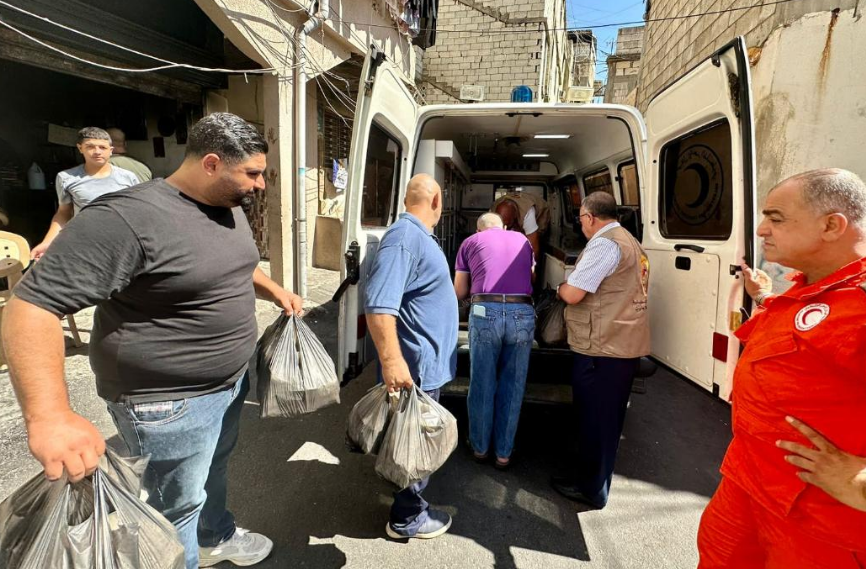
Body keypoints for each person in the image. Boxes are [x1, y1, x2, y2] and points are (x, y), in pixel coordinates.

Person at [2, 113, 303, 569]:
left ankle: (214, 536)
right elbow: (31, 306)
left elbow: (232, 265)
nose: (260, 185)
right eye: (253, 173)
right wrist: (50, 416)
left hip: (227, 385)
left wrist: (274, 289)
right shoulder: (126, 218)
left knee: (211, 472)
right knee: (172, 510)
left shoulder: (227, 205)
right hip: (167, 404)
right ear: (211, 164)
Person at [697, 169, 866, 568]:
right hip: (748, 483)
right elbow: (803, 336)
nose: (761, 230)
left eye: (776, 218)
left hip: (819, 522)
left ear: (831, 226)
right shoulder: (812, 288)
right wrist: (766, 298)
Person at [364, 173, 458, 540]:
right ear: (436, 201)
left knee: (415, 440)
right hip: (414, 369)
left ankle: (409, 508)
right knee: (413, 444)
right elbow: (379, 305)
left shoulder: (416, 237)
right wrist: (392, 362)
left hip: (423, 366)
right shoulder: (405, 238)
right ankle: (407, 518)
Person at [551, 191, 650, 509]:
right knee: (607, 420)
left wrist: (559, 288)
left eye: (581, 219)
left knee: (595, 421)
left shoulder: (604, 245)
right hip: (620, 343)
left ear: (590, 217)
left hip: (602, 348)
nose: (581, 225)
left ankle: (592, 489)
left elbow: (574, 294)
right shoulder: (631, 242)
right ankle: (595, 482)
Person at [454, 212, 535, 469]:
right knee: (514, 384)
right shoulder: (523, 240)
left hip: (484, 311)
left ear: (479, 230)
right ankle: (503, 453)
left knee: (482, 382)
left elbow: (460, 291)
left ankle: (479, 447)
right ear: (505, 227)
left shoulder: (470, 242)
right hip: (522, 311)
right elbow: (531, 277)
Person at [31, 127, 139, 261]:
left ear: (111, 150)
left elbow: (138, 212)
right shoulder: (66, 178)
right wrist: (48, 242)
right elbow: (64, 213)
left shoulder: (128, 178)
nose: (97, 152)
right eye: (90, 147)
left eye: (102, 147)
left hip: (122, 245)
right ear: (80, 148)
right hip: (85, 246)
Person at [491, 189, 549, 260]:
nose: (504, 228)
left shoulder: (527, 213)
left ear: (515, 216)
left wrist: (530, 265)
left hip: (538, 217)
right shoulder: (493, 211)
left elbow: (533, 245)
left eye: (507, 224)